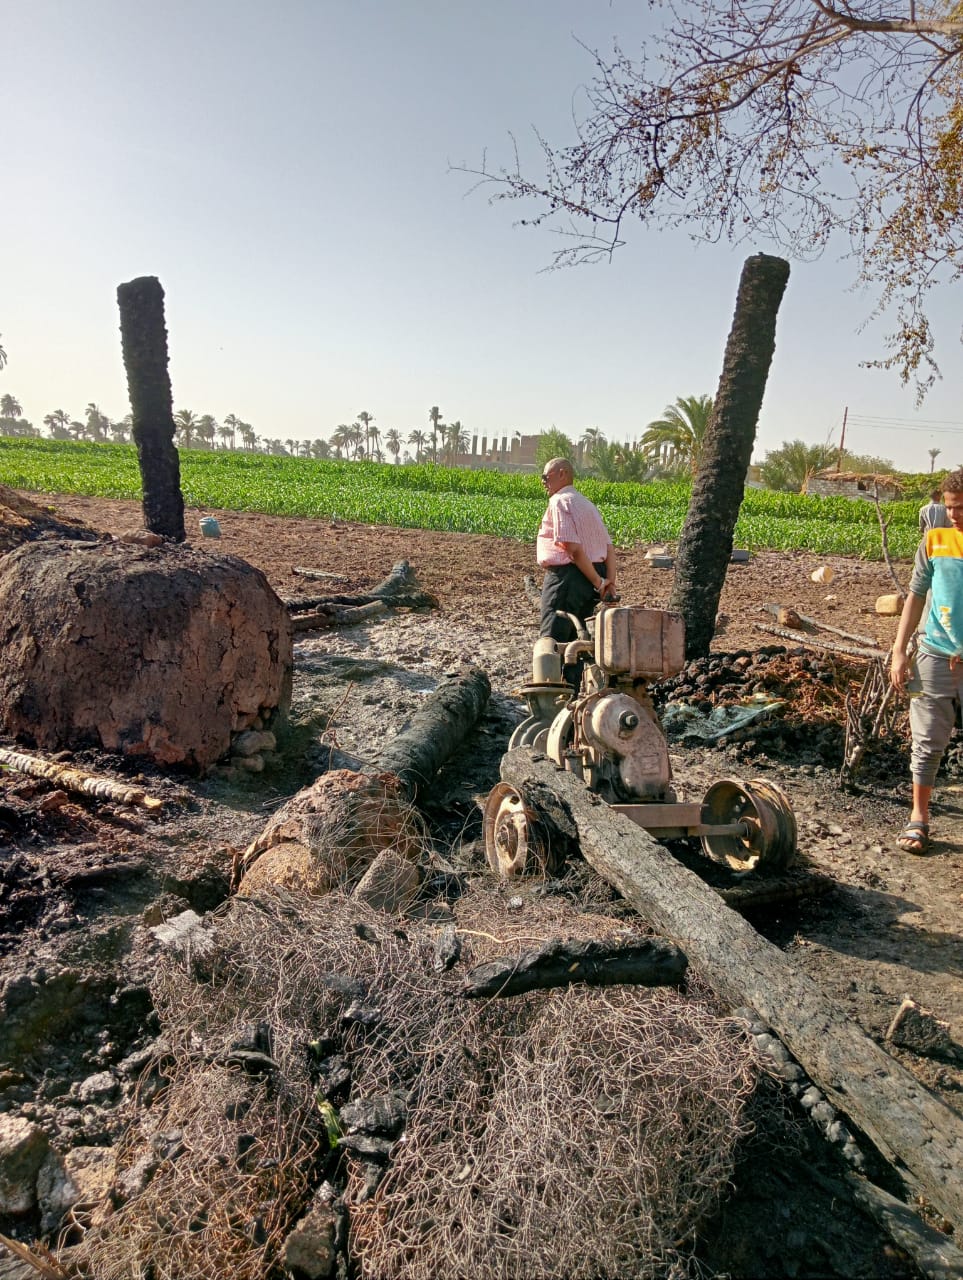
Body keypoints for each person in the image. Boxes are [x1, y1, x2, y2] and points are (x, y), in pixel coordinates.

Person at [890, 469, 963, 853]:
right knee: (927, 742)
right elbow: (916, 596)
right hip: (935, 653)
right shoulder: (935, 541)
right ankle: (919, 817)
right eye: (950, 508)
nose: (954, 516)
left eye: (961, 508)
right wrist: (900, 650)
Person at [537, 457, 617, 643]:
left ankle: (552, 673)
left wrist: (599, 583)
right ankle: (573, 673)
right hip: (592, 577)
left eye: (545, 477)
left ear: (562, 474)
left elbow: (572, 548)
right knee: (579, 639)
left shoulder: (559, 501)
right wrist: (608, 584)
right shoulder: (587, 504)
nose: (543, 483)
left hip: (568, 578)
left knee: (553, 641)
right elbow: (609, 549)